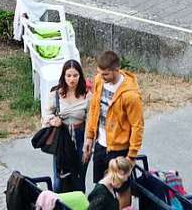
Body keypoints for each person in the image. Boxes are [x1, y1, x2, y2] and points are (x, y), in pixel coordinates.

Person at [83, 51, 144, 200]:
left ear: (116, 69)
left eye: (105, 74)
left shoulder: (130, 95)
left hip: (119, 149)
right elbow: (94, 109)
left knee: (122, 189)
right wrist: (90, 137)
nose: (101, 77)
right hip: (100, 144)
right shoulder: (99, 81)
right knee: (102, 185)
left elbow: (138, 126)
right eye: (100, 73)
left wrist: (131, 156)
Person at [42, 58, 90, 192]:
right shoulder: (56, 93)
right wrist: (53, 120)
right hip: (62, 138)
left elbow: (91, 121)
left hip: (80, 136)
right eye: (68, 75)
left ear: (80, 76)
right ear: (64, 76)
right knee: (59, 179)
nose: (72, 79)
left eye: (75, 75)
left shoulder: (87, 96)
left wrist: (88, 144)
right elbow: (46, 114)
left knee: (79, 179)